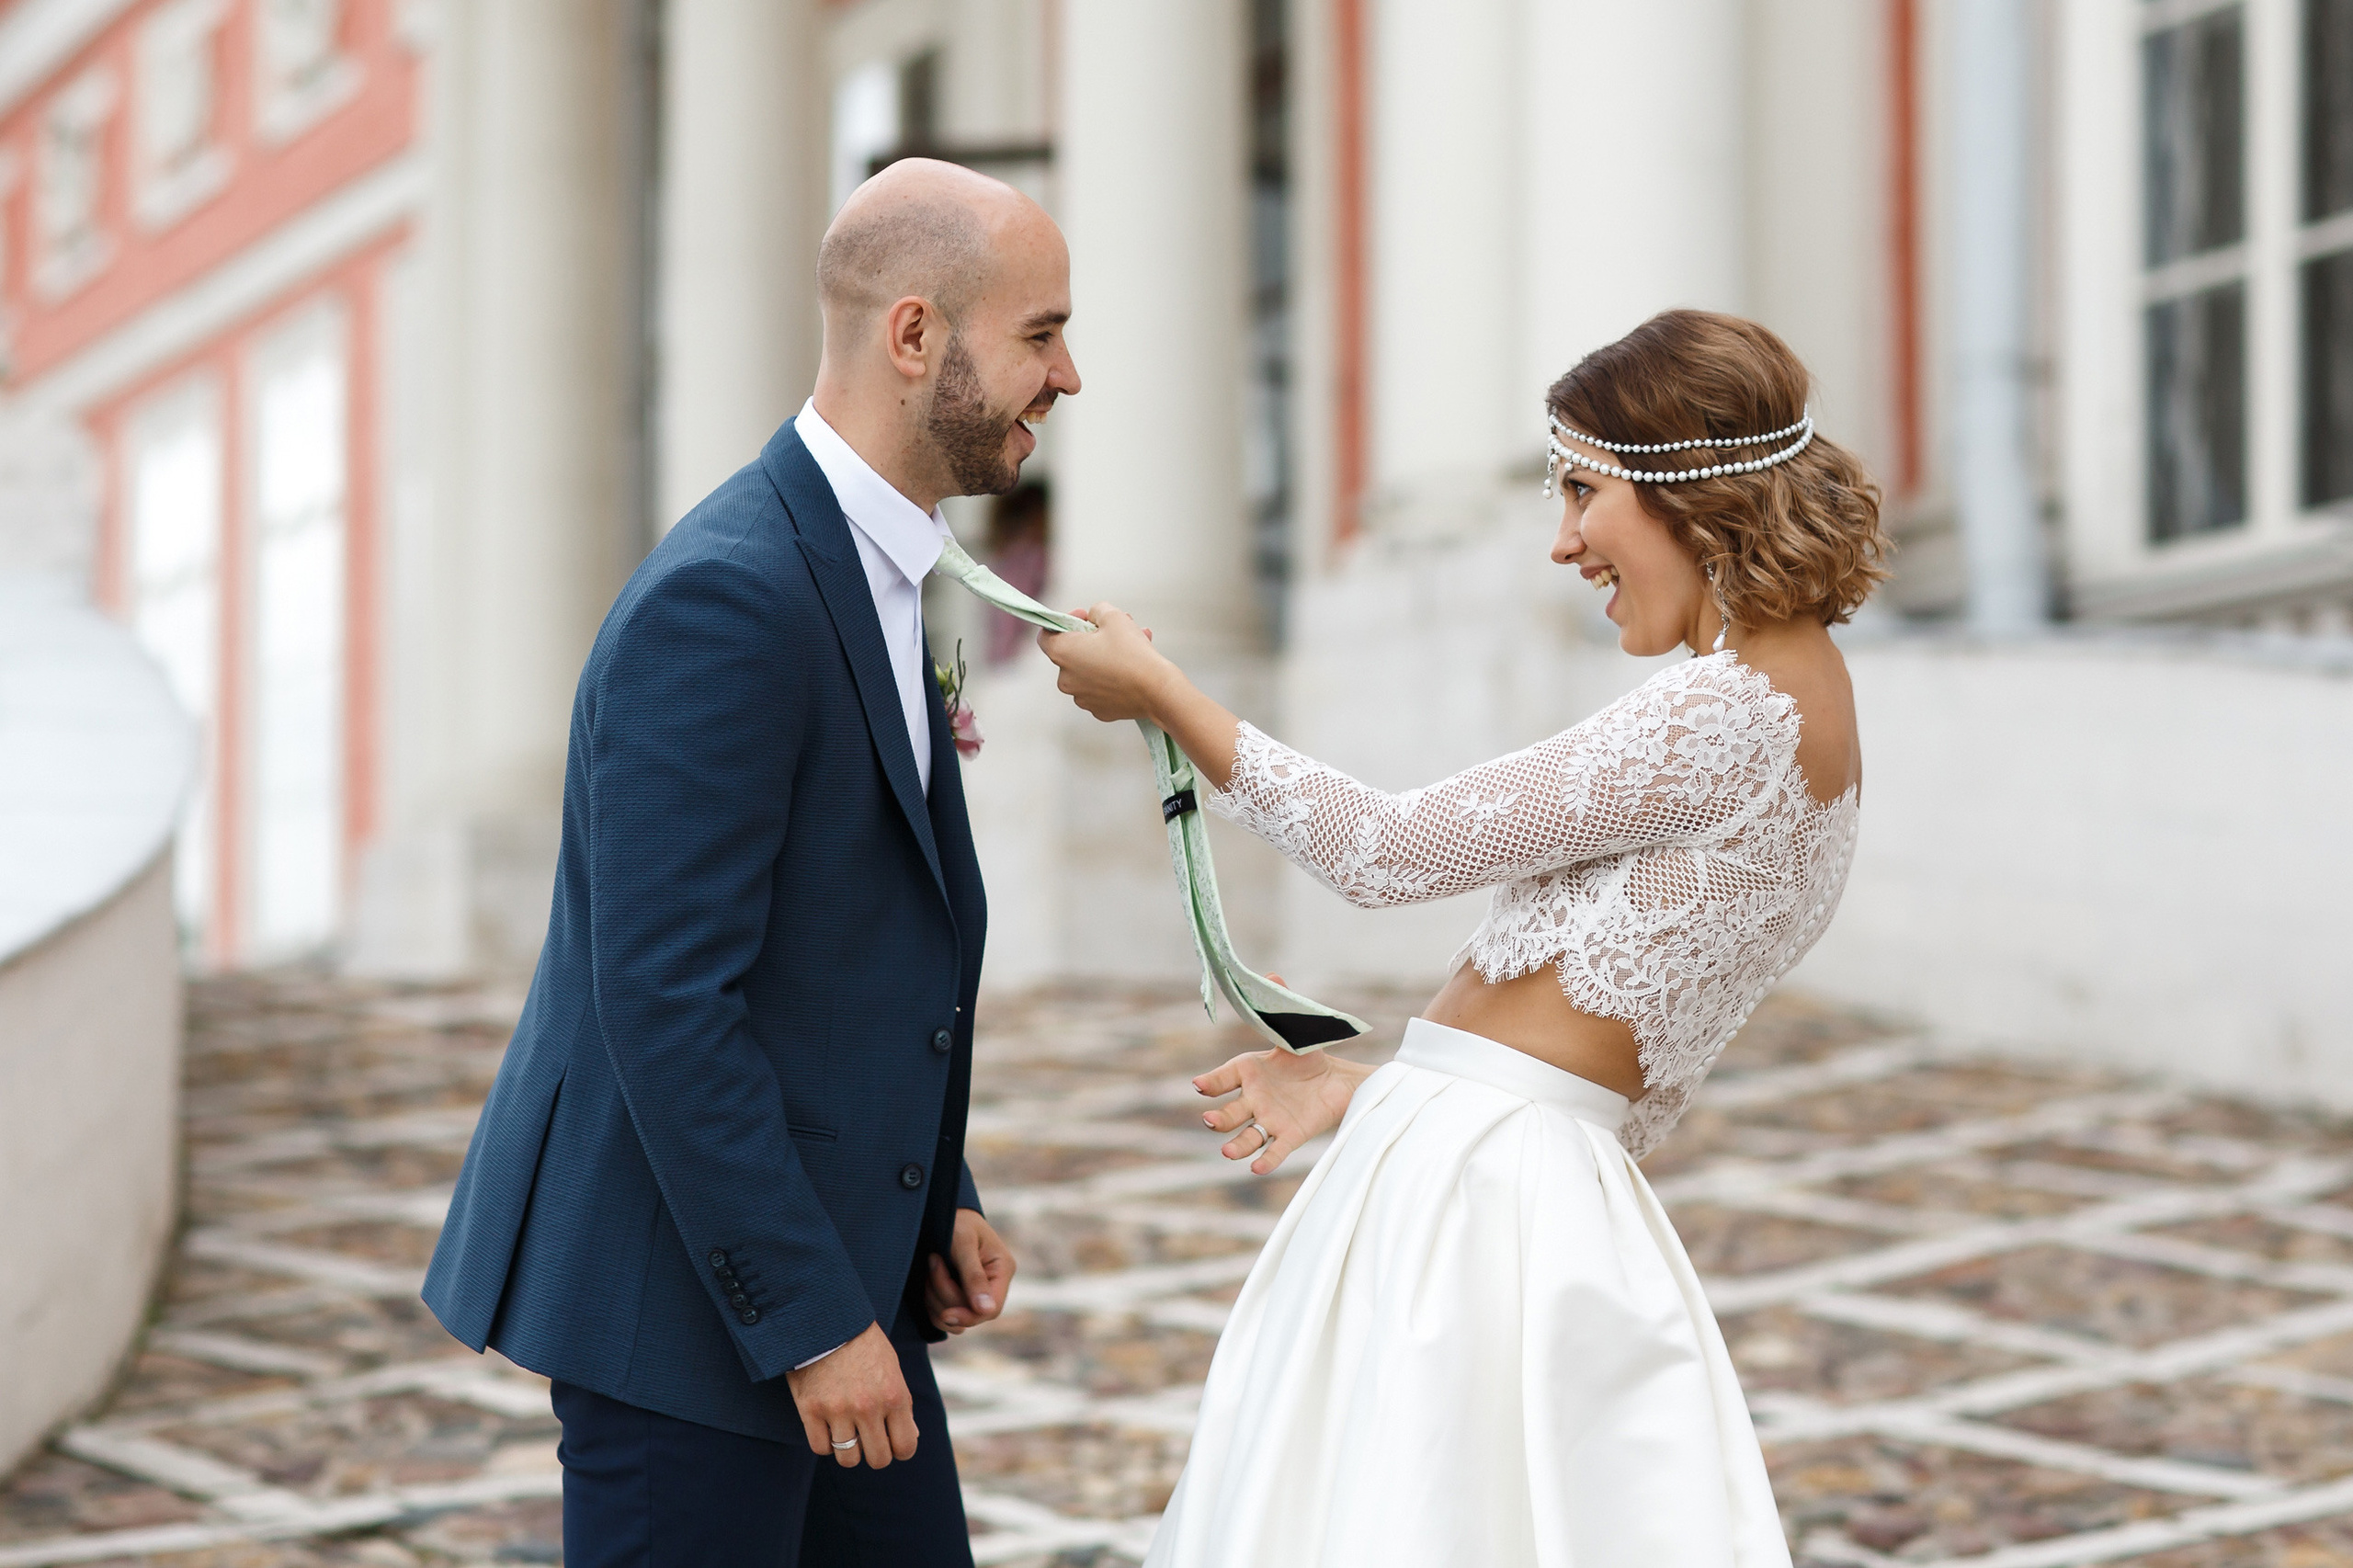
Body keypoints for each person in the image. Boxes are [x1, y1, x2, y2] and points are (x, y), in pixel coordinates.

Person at [1040, 310, 1887, 1566]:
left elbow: (1389, 850)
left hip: (1478, 1215)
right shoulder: (1801, 713)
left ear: (1688, 491)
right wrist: (1380, 1091)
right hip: (1505, 1182)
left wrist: (1162, 693)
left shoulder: (1727, 712)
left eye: (1583, 491)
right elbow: (1595, 1064)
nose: (1563, 542)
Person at [420, 159, 1081, 1567]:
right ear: (914, 335)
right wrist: (811, 1316)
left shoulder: (874, 569)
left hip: (842, 1282)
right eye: (1040, 334)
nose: (1067, 375)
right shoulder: (730, 593)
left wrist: (933, 1196)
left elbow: (843, 947)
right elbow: (662, 996)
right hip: (692, 1318)